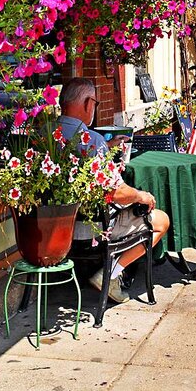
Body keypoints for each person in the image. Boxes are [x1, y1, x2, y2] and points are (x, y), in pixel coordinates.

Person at [57, 78, 170, 304]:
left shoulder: (44, 131)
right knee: (160, 220)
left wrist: (105, 148)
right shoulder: (91, 138)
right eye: (96, 104)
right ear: (88, 104)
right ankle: (110, 274)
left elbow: (73, 156)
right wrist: (141, 196)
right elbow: (115, 192)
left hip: (56, 225)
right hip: (89, 230)